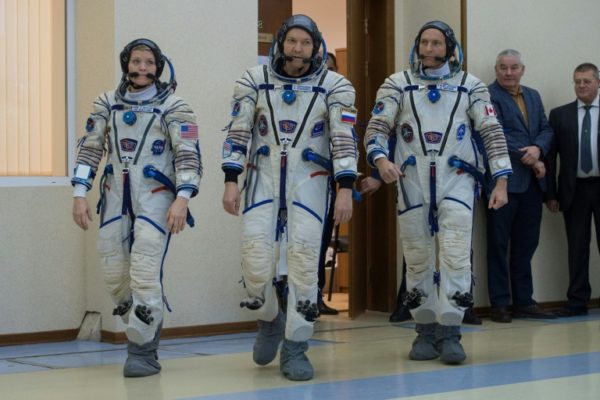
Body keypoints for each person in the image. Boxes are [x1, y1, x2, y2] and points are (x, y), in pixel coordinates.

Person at [364, 21, 511, 365]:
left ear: (450, 49)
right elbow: (377, 127)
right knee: (417, 256)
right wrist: (381, 159)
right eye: (424, 43)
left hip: (457, 179)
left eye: (436, 43)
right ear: (417, 46)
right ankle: (424, 330)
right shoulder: (397, 84)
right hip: (412, 180)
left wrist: (501, 180)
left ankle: (451, 331)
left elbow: (491, 131)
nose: (429, 49)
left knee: (455, 256)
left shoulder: (470, 86)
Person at [221, 14, 358, 381]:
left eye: (305, 42)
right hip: (262, 179)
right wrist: (231, 179)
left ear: (316, 48)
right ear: (281, 43)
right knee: (255, 263)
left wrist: (345, 188)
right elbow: (237, 132)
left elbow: (344, 139)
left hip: (310, 181)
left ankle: (296, 346)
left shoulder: (335, 85)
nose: (298, 48)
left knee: (304, 265)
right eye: (292, 41)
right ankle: (269, 319)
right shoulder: (254, 80)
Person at [71, 38, 202, 377]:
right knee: (114, 273)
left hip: (156, 197)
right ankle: (146, 324)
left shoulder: (175, 106)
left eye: (148, 63)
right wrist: (79, 193)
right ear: (126, 64)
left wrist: (183, 199)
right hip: (116, 195)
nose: (142, 68)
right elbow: (90, 149)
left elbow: (188, 154)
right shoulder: (106, 104)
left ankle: (142, 350)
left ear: (158, 67)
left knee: (144, 270)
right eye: (136, 61)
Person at [486, 49, 555, 323]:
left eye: (514, 67)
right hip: (502, 183)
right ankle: (500, 304)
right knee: (498, 244)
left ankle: (524, 302)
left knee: (526, 245)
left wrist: (538, 149)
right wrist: (532, 158)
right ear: (496, 70)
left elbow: (546, 129)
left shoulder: (533, 96)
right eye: (503, 67)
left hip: (532, 186)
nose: (509, 72)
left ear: (522, 70)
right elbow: (495, 133)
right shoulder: (488, 95)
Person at [546, 63, 600, 317]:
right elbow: (550, 157)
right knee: (577, 247)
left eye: (586, 81)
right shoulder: (560, 115)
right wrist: (550, 193)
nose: (581, 86)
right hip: (574, 189)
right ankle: (577, 301)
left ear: (598, 82)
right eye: (577, 81)